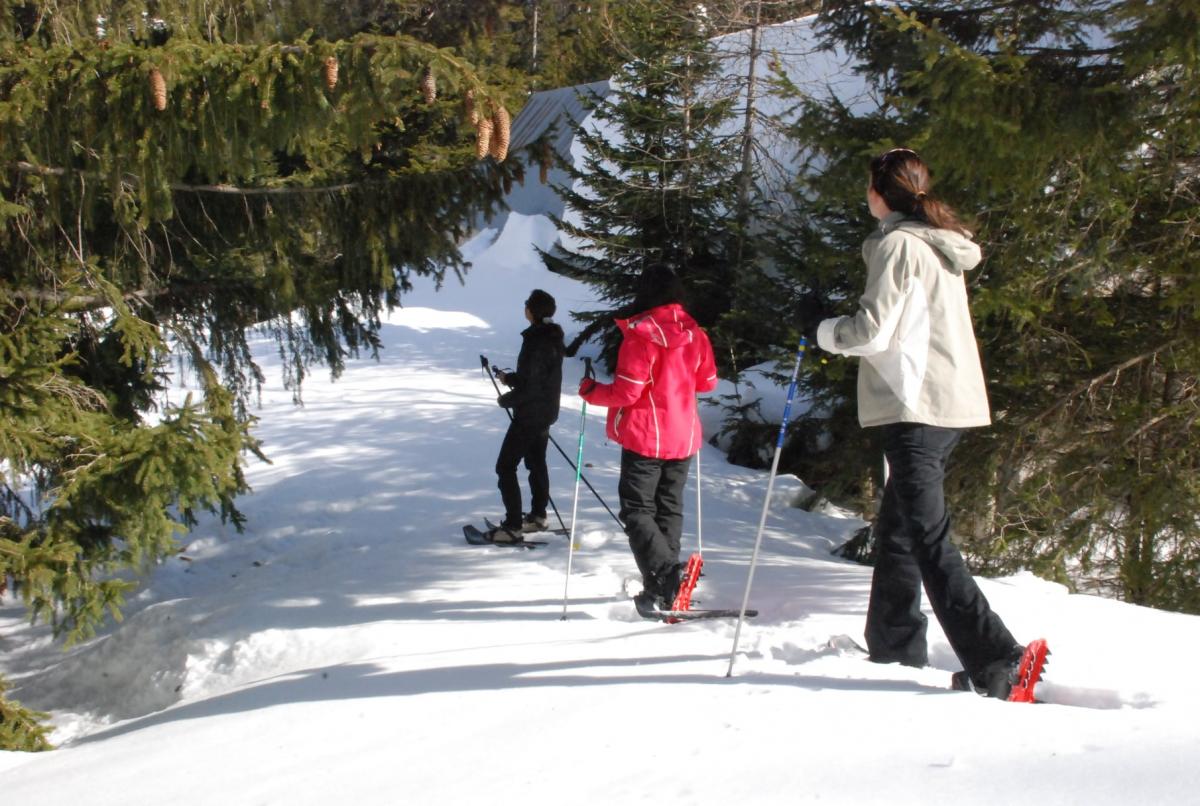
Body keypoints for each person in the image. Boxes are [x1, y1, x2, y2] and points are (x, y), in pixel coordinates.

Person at [815, 147, 1036, 698]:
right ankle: (892, 648)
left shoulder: (898, 244)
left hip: (915, 405)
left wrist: (818, 326)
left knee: (926, 535)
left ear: (877, 192)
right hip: (945, 402)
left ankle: (997, 657)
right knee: (898, 530)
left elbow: (870, 331)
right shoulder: (938, 245)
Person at [578, 265, 718, 614]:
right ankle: (664, 589)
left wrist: (591, 391)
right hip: (683, 436)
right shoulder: (695, 334)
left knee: (637, 509)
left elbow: (628, 391)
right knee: (668, 507)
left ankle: (667, 575)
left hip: (646, 436)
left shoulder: (641, 335)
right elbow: (708, 382)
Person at [490, 289, 565, 543]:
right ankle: (537, 515)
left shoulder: (537, 340)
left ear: (532, 311)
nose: (525, 309)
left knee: (505, 466)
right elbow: (536, 378)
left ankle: (513, 526)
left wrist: (507, 400)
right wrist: (509, 378)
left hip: (531, 414)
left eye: (527, 306)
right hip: (543, 412)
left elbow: (532, 387)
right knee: (535, 462)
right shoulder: (551, 336)